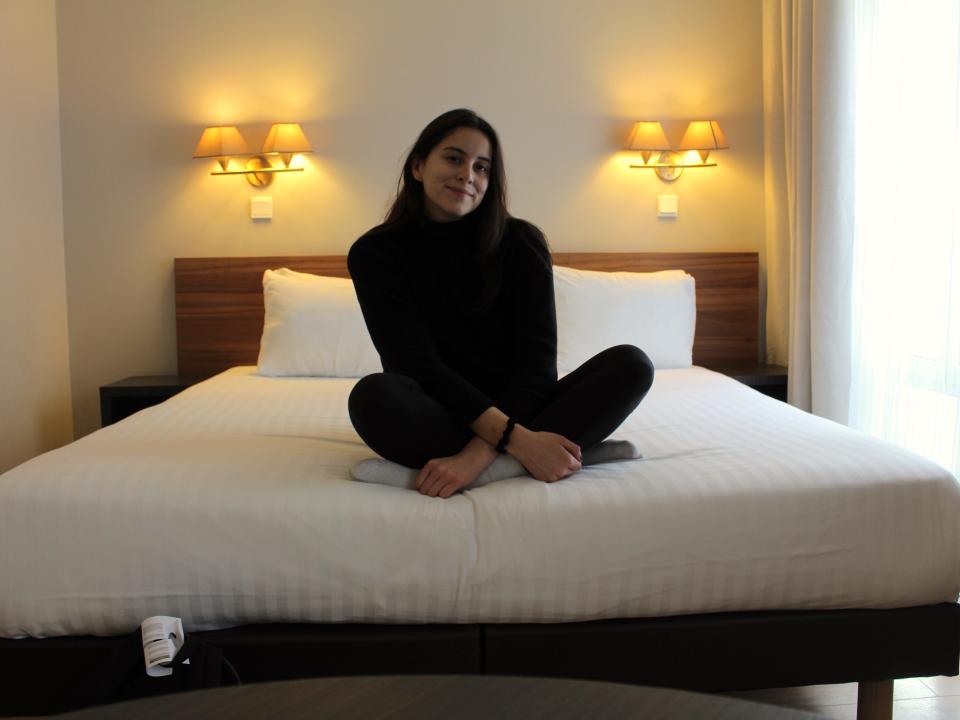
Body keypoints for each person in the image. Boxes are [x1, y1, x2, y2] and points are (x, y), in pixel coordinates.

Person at [347, 108, 653, 499]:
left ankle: (485, 467)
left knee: (631, 365)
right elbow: (416, 365)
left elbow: (538, 367)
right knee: (373, 398)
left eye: (482, 167)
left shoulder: (521, 244)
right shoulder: (376, 253)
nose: (467, 175)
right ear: (419, 166)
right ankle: (544, 456)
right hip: (441, 411)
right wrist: (522, 442)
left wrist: (479, 453)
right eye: (454, 158)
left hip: (525, 408)